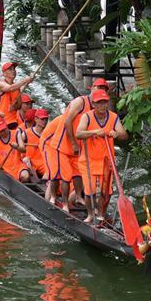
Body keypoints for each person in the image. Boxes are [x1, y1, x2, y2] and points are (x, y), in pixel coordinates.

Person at [50, 78, 110, 212]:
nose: (100, 91)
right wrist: (73, 143)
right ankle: (63, 203)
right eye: (98, 88)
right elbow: (67, 122)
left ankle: (78, 197)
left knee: (78, 174)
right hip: (64, 144)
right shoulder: (80, 102)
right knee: (64, 176)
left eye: (103, 90)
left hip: (78, 148)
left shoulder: (97, 108)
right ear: (92, 88)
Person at [75, 88, 128, 223]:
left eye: (104, 102)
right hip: (88, 160)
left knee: (107, 192)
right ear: (93, 104)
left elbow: (124, 135)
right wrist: (94, 132)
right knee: (90, 191)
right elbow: (79, 133)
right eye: (99, 103)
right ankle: (90, 215)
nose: (102, 106)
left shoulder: (113, 117)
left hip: (106, 160)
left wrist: (116, 134)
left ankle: (101, 214)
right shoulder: (87, 117)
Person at [0, 117, 29, 184]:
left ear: (6, 125)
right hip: (3, 167)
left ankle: (20, 185)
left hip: (17, 165)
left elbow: (23, 150)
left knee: (26, 176)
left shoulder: (17, 133)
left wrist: (17, 147)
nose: (4, 132)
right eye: (1, 131)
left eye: (4, 129)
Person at [23, 108, 48, 179]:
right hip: (30, 162)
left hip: (43, 164)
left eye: (46, 119)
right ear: (36, 119)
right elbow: (17, 148)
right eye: (42, 119)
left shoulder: (48, 134)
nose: (45, 121)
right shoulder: (26, 133)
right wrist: (23, 157)